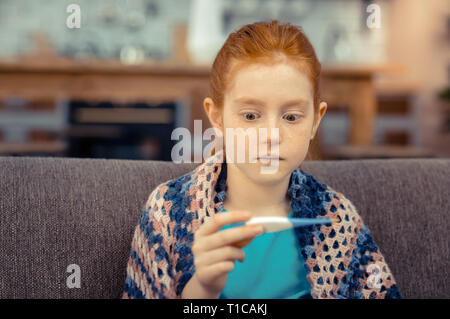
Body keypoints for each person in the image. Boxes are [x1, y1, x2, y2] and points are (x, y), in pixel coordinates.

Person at [122, 20, 402, 299]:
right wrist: (204, 288)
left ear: (316, 121)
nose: (271, 136)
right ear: (216, 116)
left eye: (291, 117)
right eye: (251, 116)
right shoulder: (168, 213)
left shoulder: (336, 218)